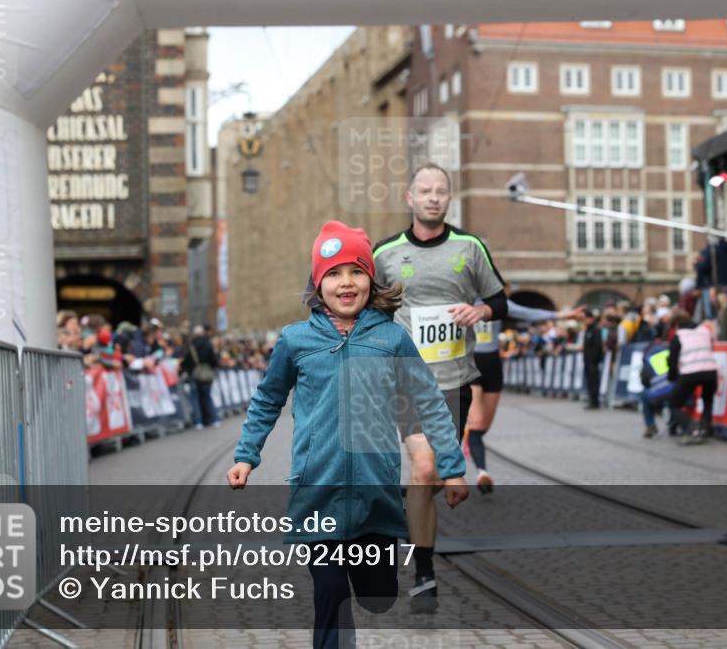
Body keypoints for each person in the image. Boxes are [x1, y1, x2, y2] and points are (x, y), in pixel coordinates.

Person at [227, 222, 468, 649]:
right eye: (333, 273)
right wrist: (247, 455)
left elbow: (428, 400)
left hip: (375, 494)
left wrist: (450, 468)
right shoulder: (295, 340)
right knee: (330, 592)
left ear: (370, 280)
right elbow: (267, 400)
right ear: (318, 283)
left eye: (356, 272)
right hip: (316, 488)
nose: (345, 283)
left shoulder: (392, 338)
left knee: (377, 596)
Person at [373, 163, 505, 612]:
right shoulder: (386, 253)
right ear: (409, 198)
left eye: (441, 191)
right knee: (427, 468)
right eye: (425, 191)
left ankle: (400, 520)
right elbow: (366, 307)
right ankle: (424, 573)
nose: (433, 197)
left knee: (422, 480)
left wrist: (480, 313)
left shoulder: (469, 247)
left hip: (455, 382)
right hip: (406, 382)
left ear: (449, 199)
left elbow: (499, 299)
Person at [468, 300, 584, 493]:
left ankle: (472, 442)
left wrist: (560, 316)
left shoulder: (495, 299)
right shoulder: (460, 293)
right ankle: (481, 471)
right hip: (469, 360)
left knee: (483, 427)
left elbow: (525, 312)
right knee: (477, 422)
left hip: (492, 363)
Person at [667, 310, 718, 445]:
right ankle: (705, 429)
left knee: (674, 404)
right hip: (710, 370)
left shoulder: (679, 336)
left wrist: (672, 377)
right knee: (708, 401)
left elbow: (672, 360)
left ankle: (692, 429)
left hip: (690, 372)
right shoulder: (704, 330)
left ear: (676, 324)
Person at [182, 325, 221, 429]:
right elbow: (214, 360)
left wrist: (188, 370)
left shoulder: (192, 345)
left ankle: (198, 421)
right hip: (207, 375)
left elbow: (186, 361)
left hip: (194, 375)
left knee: (195, 399)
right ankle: (214, 419)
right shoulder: (208, 344)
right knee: (207, 397)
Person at [581, 308, 604, 409]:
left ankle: (595, 401)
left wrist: (594, 359)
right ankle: (592, 400)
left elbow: (597, 345)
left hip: (593, 361)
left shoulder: (596, 330)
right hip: (587, 360)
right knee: (590, 381)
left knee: (594, 381)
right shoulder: (587, 330)